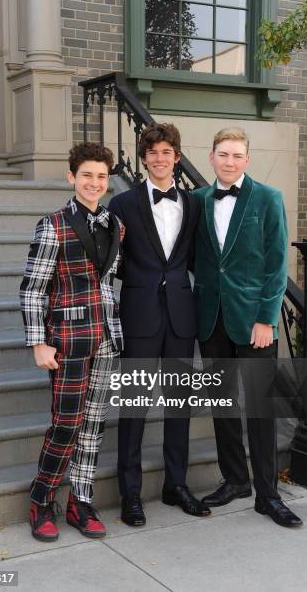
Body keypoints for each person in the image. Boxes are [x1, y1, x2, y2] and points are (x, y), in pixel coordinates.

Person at [193, 127, 303, 528]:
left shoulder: (268, 198)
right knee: (222, 403)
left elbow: (277, 265)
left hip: (253, 320)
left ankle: (268, 495)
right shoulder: (198, 200)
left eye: (237, 155)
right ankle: (235, 480)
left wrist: (266, 318)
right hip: (211, 318)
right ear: (211, 157)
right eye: (223, 154)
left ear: (247, 160)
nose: (229, 161)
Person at [20, 142, 124, 542]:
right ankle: (42, 497)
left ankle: (81, 500)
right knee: (66, 423)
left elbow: (106, 285)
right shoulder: (53, 224)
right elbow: (33, 289)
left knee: (94, 425)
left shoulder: (117, 225)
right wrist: (38, 342)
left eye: (101, 176)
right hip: (66, 340)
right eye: (86, 176)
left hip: (106, 339)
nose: (94, 183)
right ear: (71, 177)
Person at [108, 122, 210, 526]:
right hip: (139, 316)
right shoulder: (123, 205)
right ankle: (130, 493)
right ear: (144, 158)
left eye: (167, 152)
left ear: (177, 158)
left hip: (181, 318)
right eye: (152, 152)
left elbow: (200, 258)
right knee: (134, 407)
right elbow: (109, 263)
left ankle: (176, 485)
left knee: (179, 406)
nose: (160, 159)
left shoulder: (195, 203)